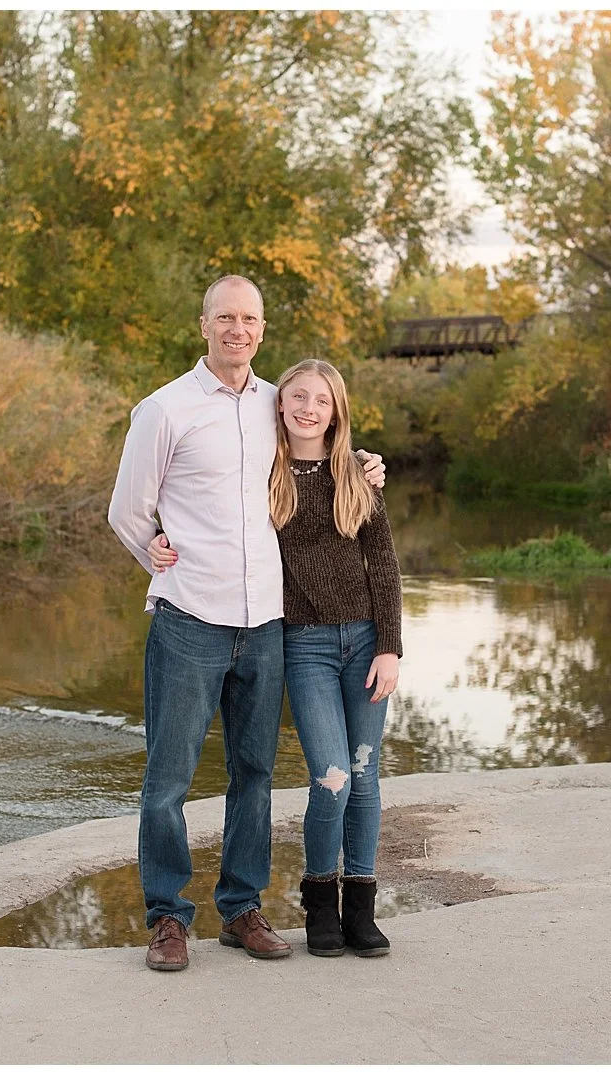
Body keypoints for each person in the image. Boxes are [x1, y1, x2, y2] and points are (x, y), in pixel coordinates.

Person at [107, 275, 385, 972]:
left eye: (250, 318)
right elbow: (127, 508)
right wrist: (153, 550)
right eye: (226, 317)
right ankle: (168, 917)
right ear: (203, 324)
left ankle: (241, 909)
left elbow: (324, 448)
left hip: (266, 622)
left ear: (262, 329)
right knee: (169, 778)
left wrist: (364, 462)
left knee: (254, 773)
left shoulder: (274, 405)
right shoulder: (165, 409)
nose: (238, 329)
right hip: (189, 618)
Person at [149, 358, 402, 958]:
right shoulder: (267, 472)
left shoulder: (356, 477)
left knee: (364, 780)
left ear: (337, 410)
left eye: (323, 400)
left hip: (366, 641)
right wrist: (156, 536)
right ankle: (318, 904)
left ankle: (359, 905)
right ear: (279, 405)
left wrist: (390, 646)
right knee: (332, 777)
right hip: (304, 645)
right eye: (298, 398)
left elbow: (384, 565)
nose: (309, 408)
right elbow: (204, 497)